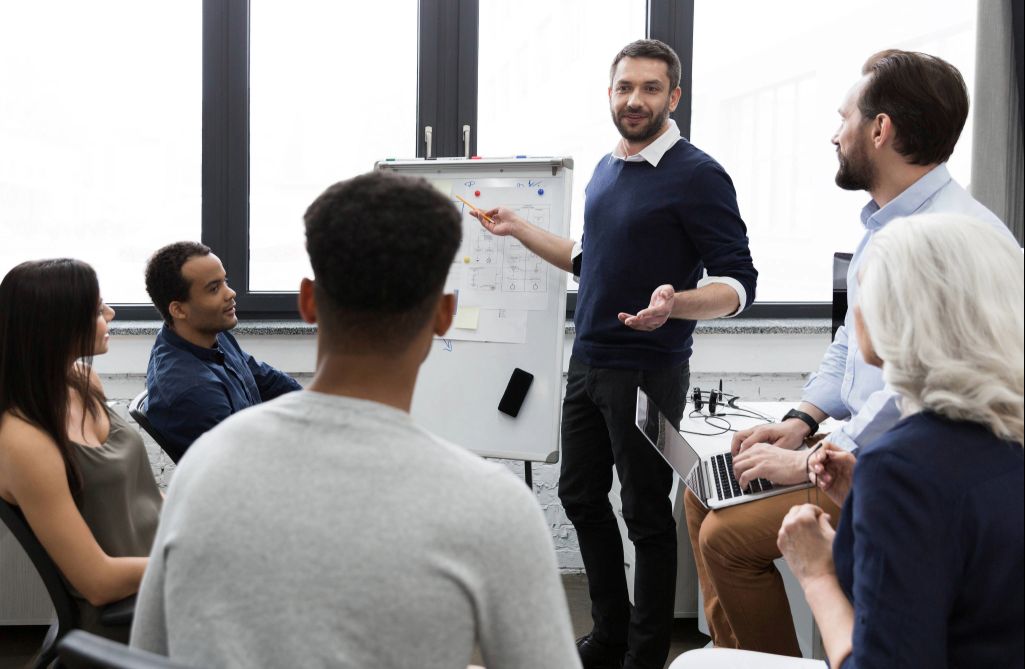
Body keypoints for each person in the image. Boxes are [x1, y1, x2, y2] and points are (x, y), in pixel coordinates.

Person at [130, 171, 581, 669]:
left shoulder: (203, 469)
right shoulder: (496, 507)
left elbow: (149, 653)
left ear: (307, 302)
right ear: (444, 315)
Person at [684, 49, 1016, 656]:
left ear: (880, 129)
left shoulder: (958, 236)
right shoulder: (884, 224)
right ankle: (738, 656)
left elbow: (919, 382)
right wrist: (801, 420)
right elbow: (849, 346)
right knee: (701, 488)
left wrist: (815, 461)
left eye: (845, 118)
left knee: (726, 538)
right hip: (863, 445)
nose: (835, 134)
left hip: (896, 454)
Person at [470, 39, 756, 669]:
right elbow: (586, 261)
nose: (635, 100)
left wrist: (674, 304)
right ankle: (611, 633)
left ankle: (646, 654)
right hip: (590, 365)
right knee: (577, 494)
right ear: (610, 93)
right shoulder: (608, 168)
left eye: (651, 88)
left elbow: (740, 285)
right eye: (625, 87)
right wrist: (517, 227)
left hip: (649, 372)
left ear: (674, 97)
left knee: (646, 515)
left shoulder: (697, 173)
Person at [674, 213, 1024, 668]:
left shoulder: (902, 467)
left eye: (867, 297)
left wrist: (817, 573)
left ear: (899, 321)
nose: (854, 313)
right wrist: (861, 492)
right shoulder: (1001, 438)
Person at [0, 259, 162, 642]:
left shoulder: (83, 381)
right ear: (57, 326)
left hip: (164, 566)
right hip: (130, 609)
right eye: (96, 309)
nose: (110, 313)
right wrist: (195, 560)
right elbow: (98, 582)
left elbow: (146, 497)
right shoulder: (24, 441)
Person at [143, 241, 301, 461]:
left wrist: (318, 409)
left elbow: (268, 380)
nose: (231, 293)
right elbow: (247, 465)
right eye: (214, 288)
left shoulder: (210, 335)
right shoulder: (194, 392)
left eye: (225, 281)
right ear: (178, 310)